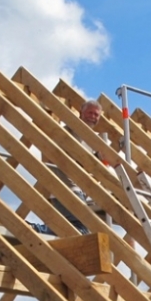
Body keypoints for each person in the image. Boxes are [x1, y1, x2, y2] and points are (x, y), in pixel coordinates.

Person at [39, 99, 104, 234]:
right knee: (82, 230)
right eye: (90, 113)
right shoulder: (69, 131)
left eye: (96, 115)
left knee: (69, 231)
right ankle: (35, 230)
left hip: (79, 190)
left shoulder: (91, 140)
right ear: (81, 113)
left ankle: (36, 230)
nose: (93, 116)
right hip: (66, 186)